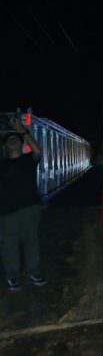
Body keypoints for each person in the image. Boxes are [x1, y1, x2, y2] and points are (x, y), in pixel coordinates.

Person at [0, 117, 46, 291]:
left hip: (30, 208)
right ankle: (13, 276)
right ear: (4, 147)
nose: (12, 141)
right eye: (9, 140)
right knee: (8, 244)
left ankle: (34, 272)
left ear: (21, 144)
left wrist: (22, 130)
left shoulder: (28, 160)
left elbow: (38, 149)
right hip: (6, 212)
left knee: (31, 241)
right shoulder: (1, 165)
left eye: (16, 139)